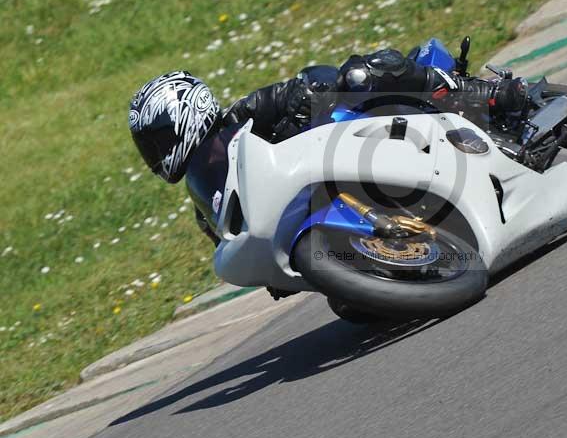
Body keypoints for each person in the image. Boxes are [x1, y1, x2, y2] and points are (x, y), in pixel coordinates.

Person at [128, 47, 528, 295]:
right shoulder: (205, 199)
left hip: (362, 137)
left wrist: (307, 99)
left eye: (158, 140)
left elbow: (310, 82)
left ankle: (486, 94)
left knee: (357, 75)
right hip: (330, 199)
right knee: (350, 310)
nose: (156, 154)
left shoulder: (247, 113)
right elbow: (234, 243)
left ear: (186, 110)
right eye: (150, 148)